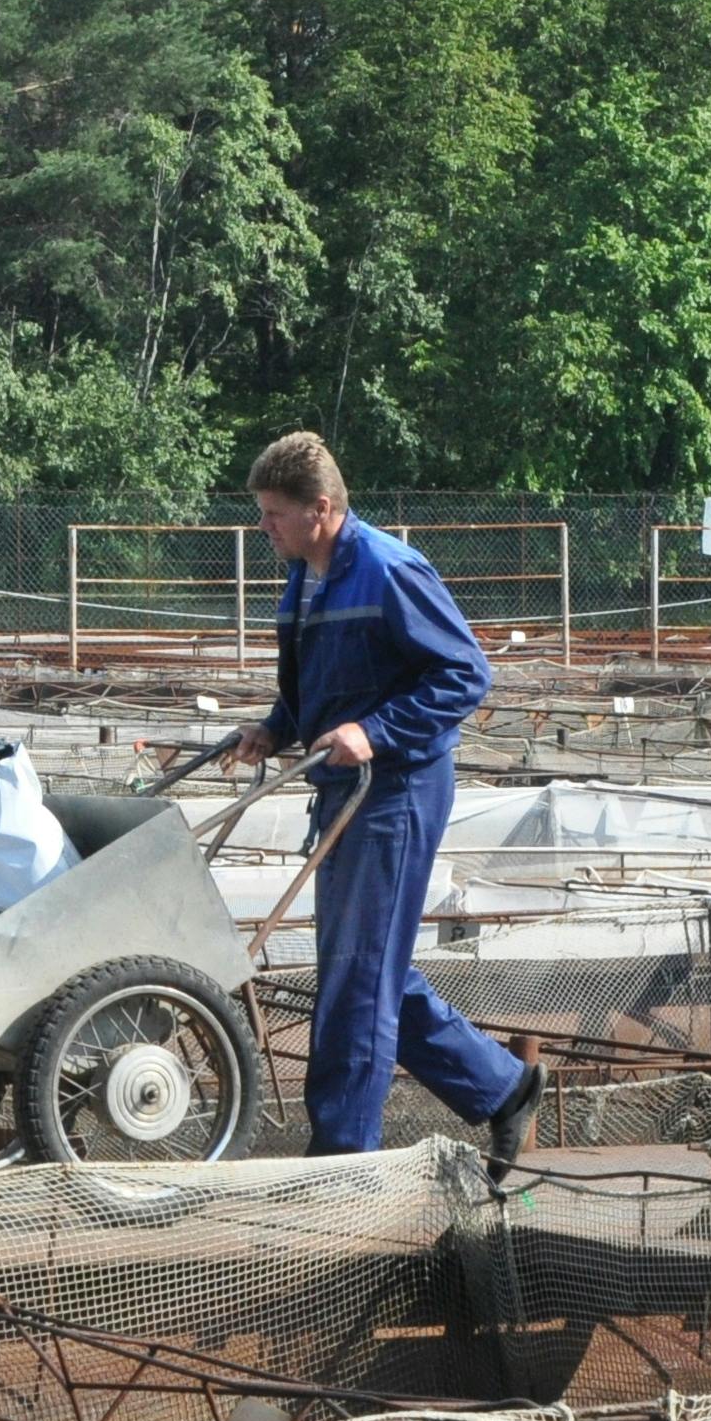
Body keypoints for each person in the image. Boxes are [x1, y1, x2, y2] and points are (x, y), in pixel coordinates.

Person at [226, 431, 541, 1169]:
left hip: (395, 790)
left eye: (274, 514)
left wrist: (376, 731)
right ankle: (502, 1089)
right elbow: (317, 683)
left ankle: (343, 1160)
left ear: (322, 509)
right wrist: (274, 728)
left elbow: (465, 675)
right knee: (366, 967)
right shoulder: (307, 575)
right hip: (342, 789)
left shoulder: (390, 571)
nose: (263, 527)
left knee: (359, 981)